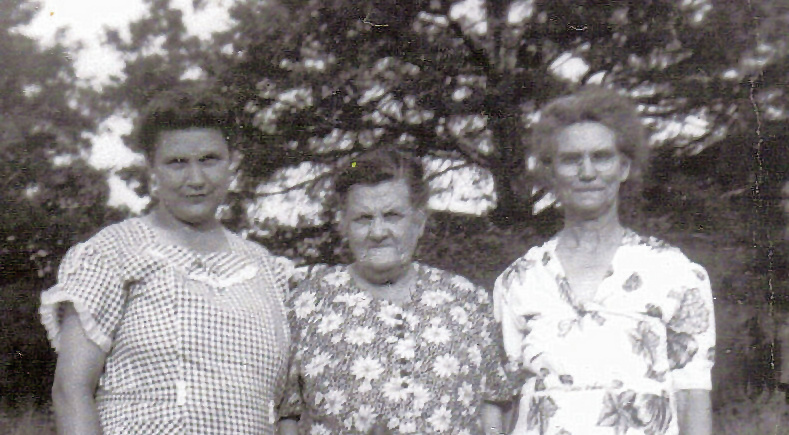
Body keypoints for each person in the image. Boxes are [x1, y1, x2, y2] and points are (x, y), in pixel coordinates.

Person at [39, 87, 291, 434]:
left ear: (233, 163)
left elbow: (285, 407)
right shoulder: (113, 253)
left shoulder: (267, 269)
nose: (196, 179)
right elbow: (71, 392)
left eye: (209, 160)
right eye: (177, 163)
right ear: (152, 170)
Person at [493, 86, 715, 435]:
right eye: (571, 159)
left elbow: (692, 399)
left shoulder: (675, 272)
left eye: (601, 157)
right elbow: (501, 404)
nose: (587, 172)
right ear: (551, 171)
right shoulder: (519, 280)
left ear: (624, 167)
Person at [278, 149, 514, 434]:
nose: (378, 232)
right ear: (343, 225)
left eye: (392, 216)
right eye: (363, 218)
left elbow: (493, 404)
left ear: (418, 221)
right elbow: (287, 415)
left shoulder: (466, 300)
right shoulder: (306, 305)